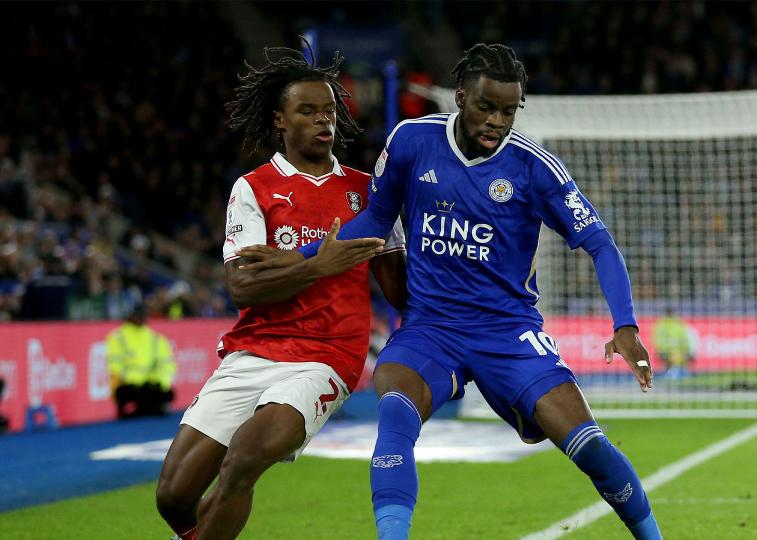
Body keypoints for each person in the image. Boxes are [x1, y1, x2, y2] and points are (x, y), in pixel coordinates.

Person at [244, 43, 661, 539]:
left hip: (508, 333)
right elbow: (377, 219)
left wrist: (626, 325)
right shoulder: (411, 142)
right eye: (487, 106)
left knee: (589, 445)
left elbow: (600, 244)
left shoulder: (534, 168)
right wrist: (302, 257)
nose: (497, 121)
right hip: (429, 330)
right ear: (461, 97)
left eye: (509, 110)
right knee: (395, 418)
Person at [154, 45, 407, 540]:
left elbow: (399, 291)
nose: (323, 121)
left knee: (245, 458)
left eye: (330, 111)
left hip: (327, 357)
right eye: (307, 111)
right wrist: (323, 265)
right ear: (280, 121)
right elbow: (244, 286)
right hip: (254, 349)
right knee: (174, 497)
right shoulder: (254, 188)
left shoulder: (366, 193)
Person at [105, 302, 176, 418]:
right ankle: (138, 407)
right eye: (138, 314)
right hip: (129, 386)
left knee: (167, 393)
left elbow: (166, 365)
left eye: (143, 314)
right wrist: (135, 380)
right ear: (130, 315)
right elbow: (115, 367)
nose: (141, 317)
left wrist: (160, 382)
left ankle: (148, 406)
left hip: (150, 385)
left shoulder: (155, 338)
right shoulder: (118, 337)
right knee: (128, 394)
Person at [652, 307, 694, 379]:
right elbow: (659, 342)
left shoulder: (677, 323)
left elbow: (685, 339)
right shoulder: (662, 325)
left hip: (679, 351)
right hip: (667, 352)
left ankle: (678, 373)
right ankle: (673, 373)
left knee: (682, 356)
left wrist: (685, 350)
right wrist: (671, 350)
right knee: (674, 356)